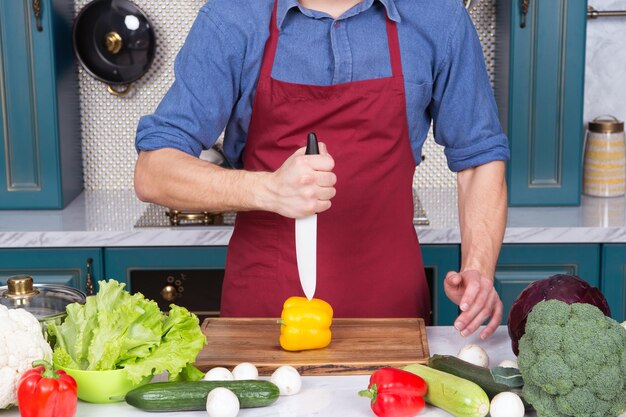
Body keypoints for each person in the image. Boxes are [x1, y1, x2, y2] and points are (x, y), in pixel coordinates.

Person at [134, 0, 510, 339]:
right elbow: (154, 170)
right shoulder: (233, 19)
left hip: (388, 310)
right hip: (266, 313)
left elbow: (479, 160)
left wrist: (477, 268)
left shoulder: (438, 18)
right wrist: (268, 190)